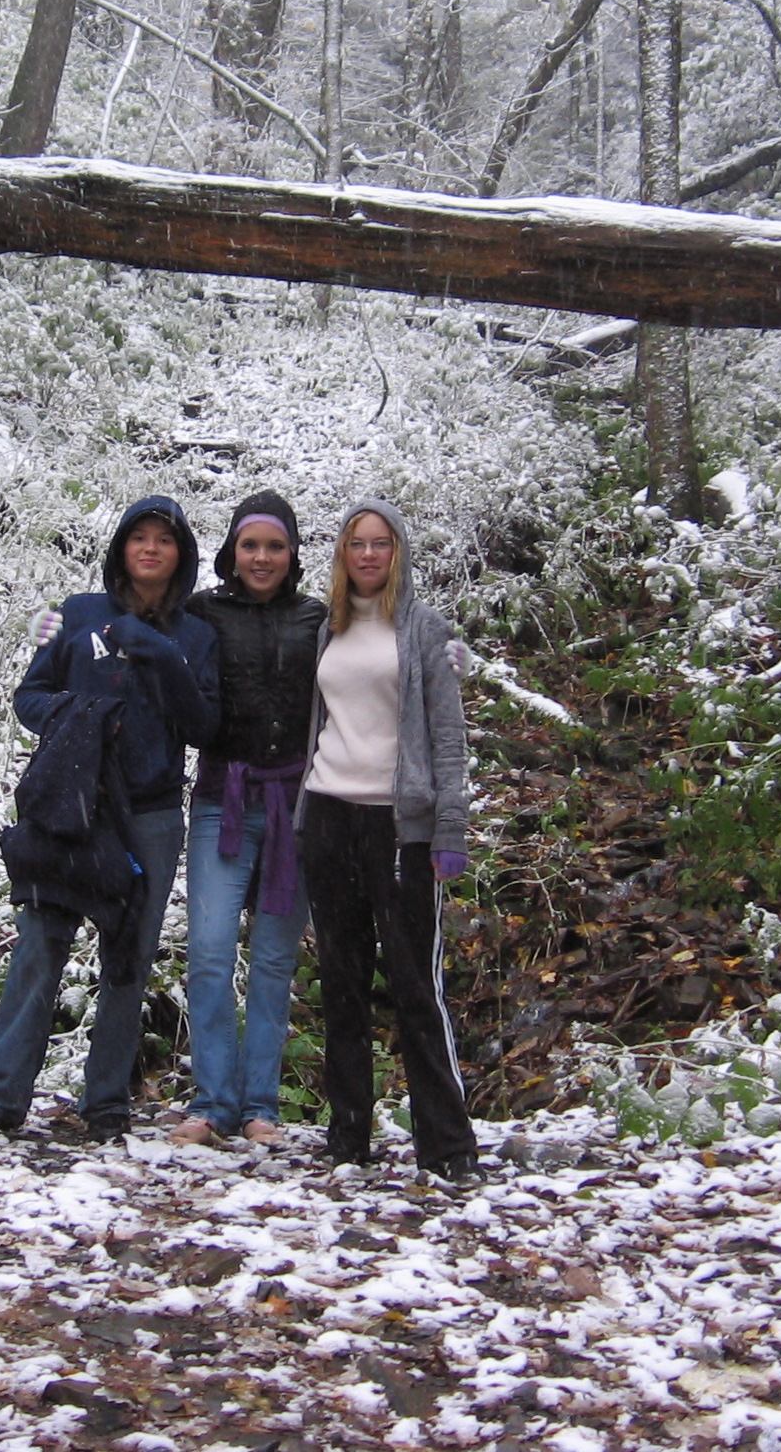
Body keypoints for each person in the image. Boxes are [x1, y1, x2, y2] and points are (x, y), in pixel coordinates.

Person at [0, 497, 220, 1146]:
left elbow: (205, 726)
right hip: (70, 808)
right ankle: (0, 1099)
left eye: (164, 540)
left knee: (128, 956)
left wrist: (163, 655)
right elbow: (29, 697)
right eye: (139, 537)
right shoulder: (74, 614)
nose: (150, 548)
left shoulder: (197, 636)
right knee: (40, 944)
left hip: (151, 815)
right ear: (121, 547)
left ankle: (106, 1103)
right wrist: (85, 718)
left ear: (181, 555)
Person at [297, 498, 480, 1183]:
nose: (369, 555)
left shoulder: (427, 630)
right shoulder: (330, 627)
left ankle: (448, 1146)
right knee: (341, 983)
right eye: (357, 544)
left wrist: (449, 828)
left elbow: (448, 737)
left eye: (381, 543)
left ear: (398, 551)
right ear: (343, 555)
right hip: (328, 815)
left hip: (399, 828)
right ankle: (349, 1137)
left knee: (414, 985)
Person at [171, 492, 327, 1147]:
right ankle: (211, 1103)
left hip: (297, 807)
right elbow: (142, 625)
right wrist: (60, 626)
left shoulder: (318, 617)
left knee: (273, 960)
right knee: (209, 951)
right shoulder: (201, 612)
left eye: (275, 546)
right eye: (250, 545)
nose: (262, 558)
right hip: (222, 800)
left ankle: (261, 1106)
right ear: (232, 551)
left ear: (292, 554)